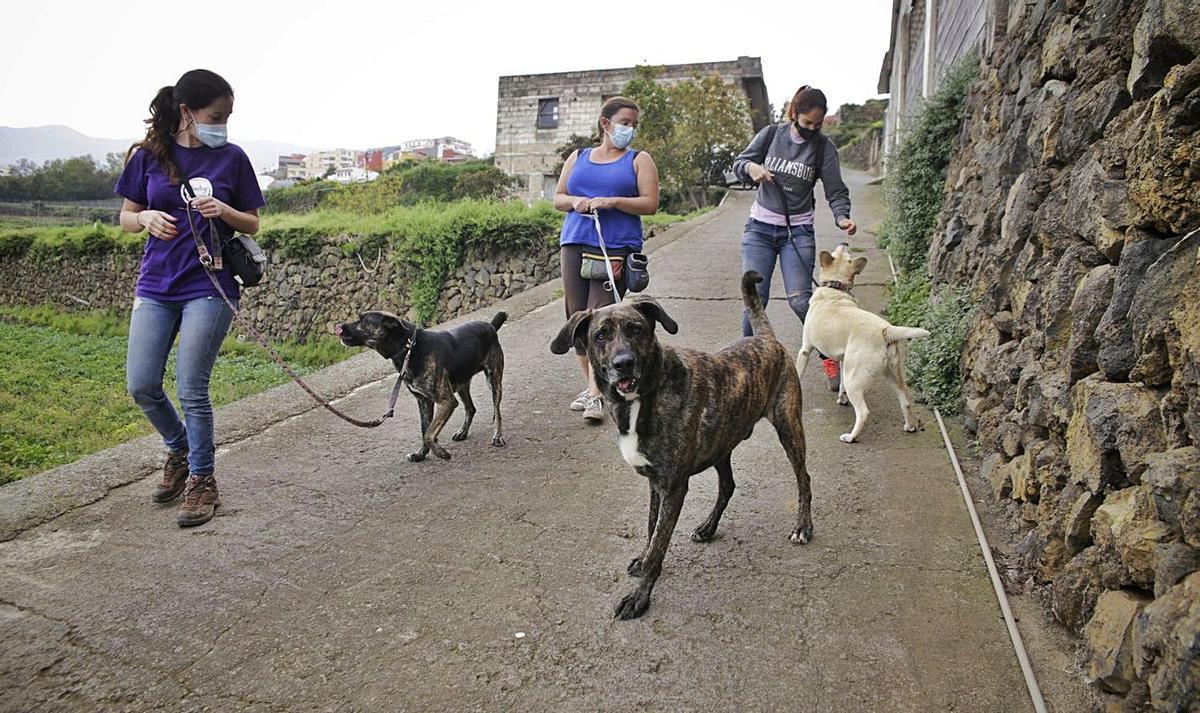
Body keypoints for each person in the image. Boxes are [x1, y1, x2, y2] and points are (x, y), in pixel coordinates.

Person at [115, 69, 265, 527]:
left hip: (211, 285)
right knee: (141, 384)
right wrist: (146, 219)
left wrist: (223, 211)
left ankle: (203, 480)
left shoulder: (233, 158)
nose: (223, 125)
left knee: (191, 388)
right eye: (216, 116)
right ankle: (179, 450)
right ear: (186, 112)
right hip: (157, 285)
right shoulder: (147, 157)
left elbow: (253, 223)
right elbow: (125, 216)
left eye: (228, 117)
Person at [730, 85, 857, 390]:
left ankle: (829, 357)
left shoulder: (824, 148)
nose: (813, 129)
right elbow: (739, 164)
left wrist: (842, 217)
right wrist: (752, 167)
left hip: (797, 232)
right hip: (759, 228)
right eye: (808, 122)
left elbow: (835, 189)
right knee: (755, 299)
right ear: (794, 114)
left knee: (802, 301)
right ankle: (748, 365)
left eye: (818, 124)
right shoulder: (772, 135)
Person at [553, 96, 660, 422]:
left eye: (633, 125)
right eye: (625, 123)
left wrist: (613, 201)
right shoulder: (578, 157)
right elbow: (558, 198)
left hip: (614, 246)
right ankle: (594, 387)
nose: (630, 129)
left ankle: (597, 396)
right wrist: (578, 202)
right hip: (574, 241)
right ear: (605, 123)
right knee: (577, 319)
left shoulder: (639, 160)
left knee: (600, 314)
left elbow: (650, 203)